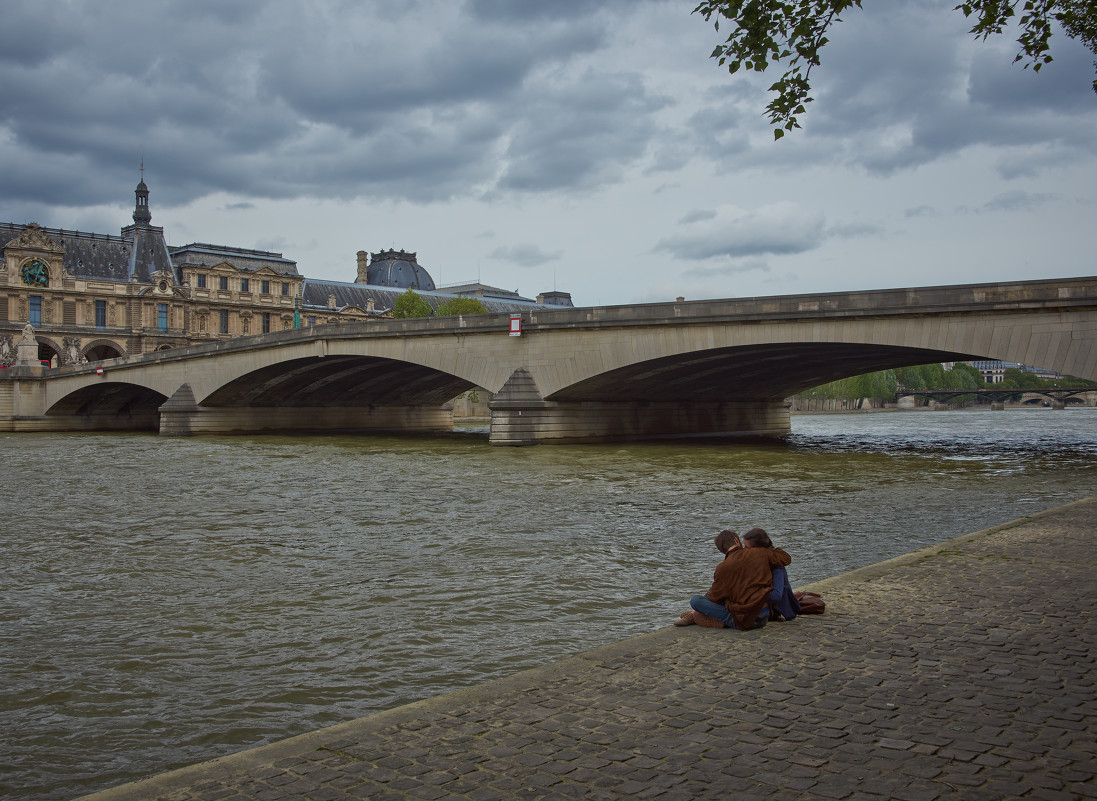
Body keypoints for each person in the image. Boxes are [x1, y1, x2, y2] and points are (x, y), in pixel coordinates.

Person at [675, 527, 791, 630]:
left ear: (721, 550)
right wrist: (768, 546)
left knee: (695, 600)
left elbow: (713, 598)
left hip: (745, 621)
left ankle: (699, 616)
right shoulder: (759, 553)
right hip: (765, 614)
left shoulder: (722, 568)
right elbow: (786, 558)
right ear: (736, 540)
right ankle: (696, 615)